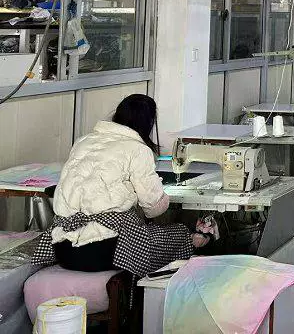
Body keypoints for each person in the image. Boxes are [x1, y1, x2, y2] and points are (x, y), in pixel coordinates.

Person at [32, 94, 214, 276]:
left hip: (62, 248)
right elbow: (153, 208)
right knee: (181, 234)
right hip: (104, 252)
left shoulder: (82, 142)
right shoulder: (138, 150)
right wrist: (162, 196)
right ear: (148, 123)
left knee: (143, 229)